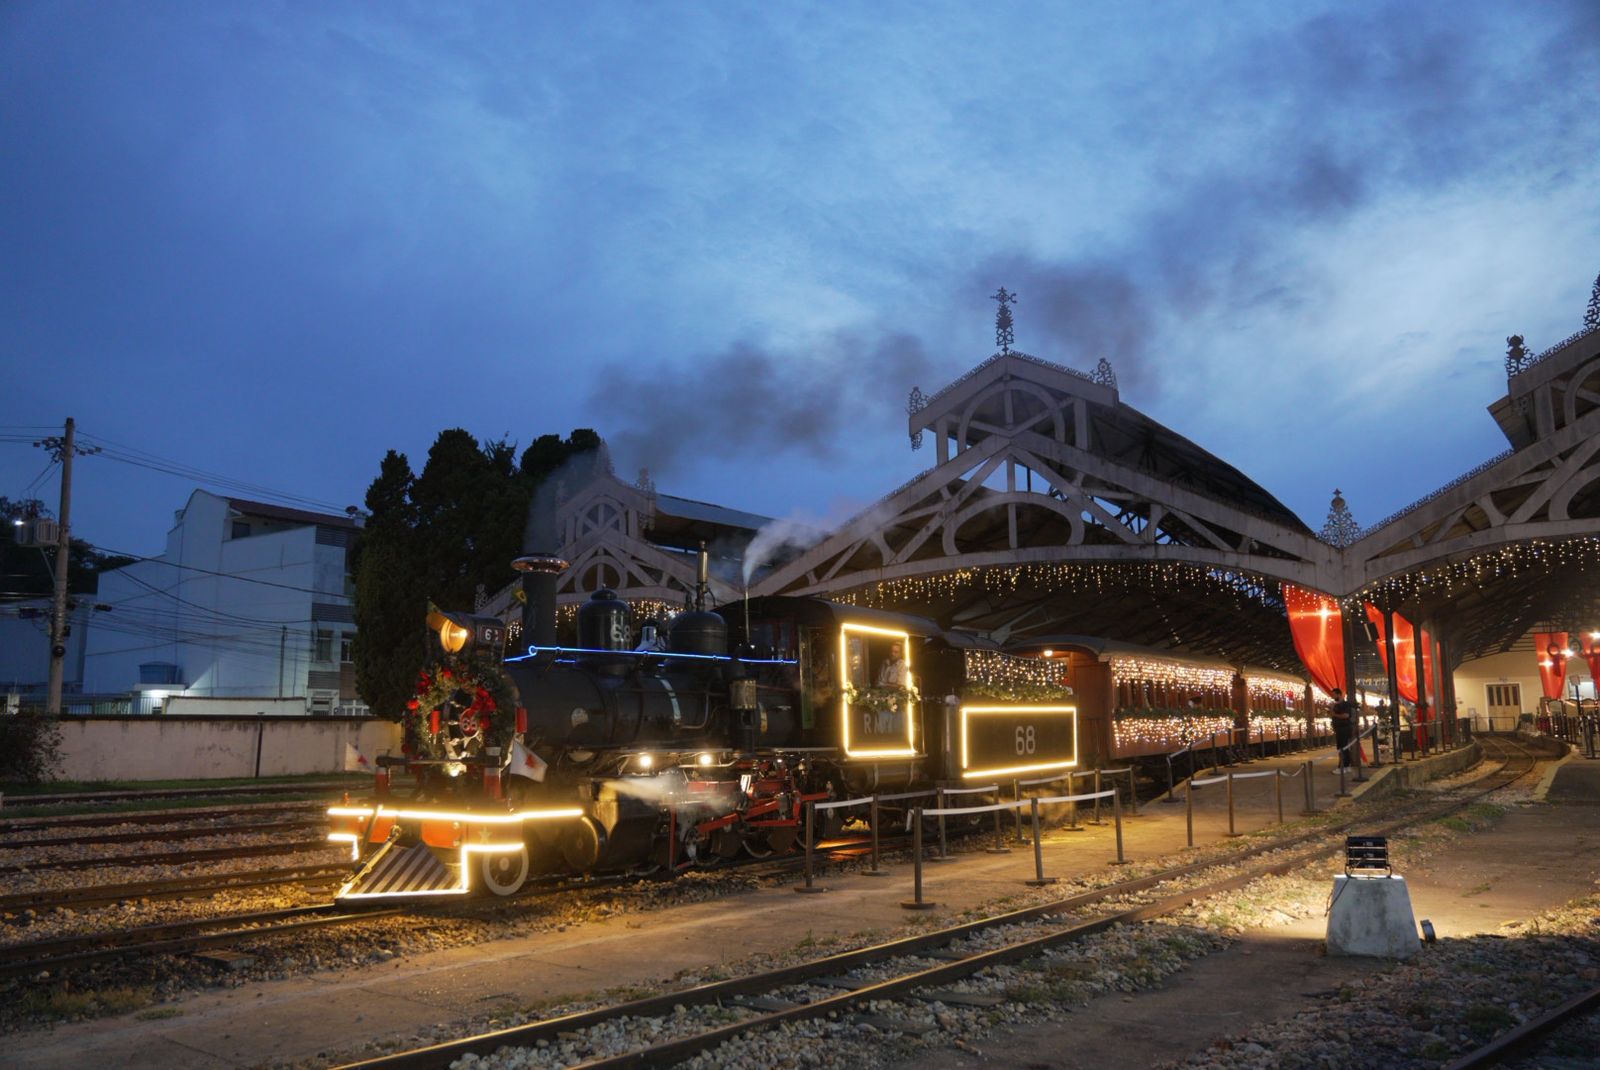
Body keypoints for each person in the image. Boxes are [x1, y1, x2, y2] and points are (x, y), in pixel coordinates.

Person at [1330, 687, 1356, 768]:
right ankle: (1344, 765)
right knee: (1341, 747)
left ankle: (1343, 766)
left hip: (1344, 728)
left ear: (1339, 694)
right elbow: (1333, 715)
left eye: (1334, 695)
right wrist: (1332, 709)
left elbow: (1346, 715)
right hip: (1339, 729)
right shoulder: (1336, 705)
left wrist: (1335, 715)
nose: (1333, 697)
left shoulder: (1345, 704)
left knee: (1343, 747)